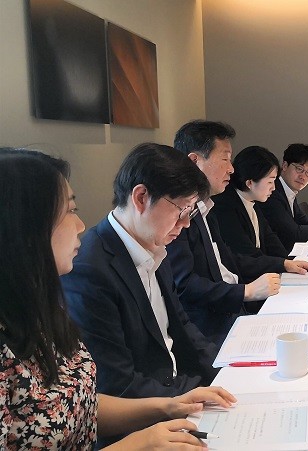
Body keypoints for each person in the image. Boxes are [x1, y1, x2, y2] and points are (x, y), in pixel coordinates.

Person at [1, 148, 236, 449]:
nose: (81, 225)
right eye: (70, 211)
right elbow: (117, 383)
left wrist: (171, 405)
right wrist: (140, 443)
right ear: (23, 227)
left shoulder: (37, 311)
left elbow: (82, 405)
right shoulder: (87, 271)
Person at [62, 143, 221, 401]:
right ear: (141, 198)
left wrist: (225, 370)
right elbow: (117, 383)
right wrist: (188, 398)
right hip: (152, 406)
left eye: (191, 211)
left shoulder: (155, 244)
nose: (186, 223)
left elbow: (181, 325)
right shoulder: (89, 270)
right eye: (182, 209)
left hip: (181, 386)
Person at [170, 121, 308, 345]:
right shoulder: (182, 216)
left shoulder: (206, 209)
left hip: (233, 309)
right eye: (225, 159)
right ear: (195, 161)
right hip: (213, 327)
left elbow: (231, 261)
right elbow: (185, 286)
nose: (231, 169)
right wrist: (246, 292)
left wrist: (284, 264)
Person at [211, 145, 290, 259]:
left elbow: (270, 239)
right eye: (270, 182)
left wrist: (289, 262)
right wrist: (285, 264)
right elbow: (246, 254)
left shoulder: (251, 200)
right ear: (249, 183)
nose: (273, 188)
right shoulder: (225, 206)